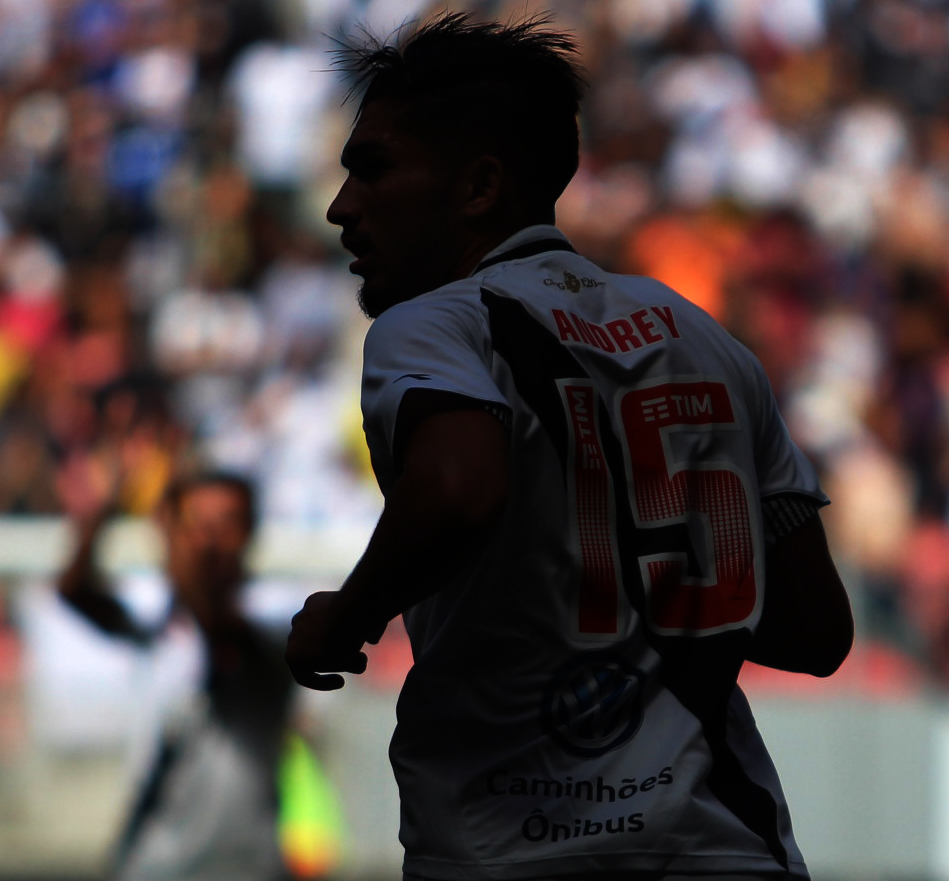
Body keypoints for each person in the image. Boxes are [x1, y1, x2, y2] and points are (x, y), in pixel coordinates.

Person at [285, 13, 854, 881]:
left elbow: (459, 484)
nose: (342, 206)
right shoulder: (706, 341)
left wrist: (346, 616)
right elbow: (816, 630)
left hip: (514, 849)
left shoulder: (436, 324)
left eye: (372, 168)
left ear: (479, 188)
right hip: (726, 846)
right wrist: (646, 596)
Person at [57, 469, 295, 881]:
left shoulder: (275, 638)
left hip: (251, 866)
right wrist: (108, 504)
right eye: (197, 524)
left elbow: (219, 624)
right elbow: (74, 590)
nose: (210, 541)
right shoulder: (154, 633)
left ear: (250, 534)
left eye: (226, 524)